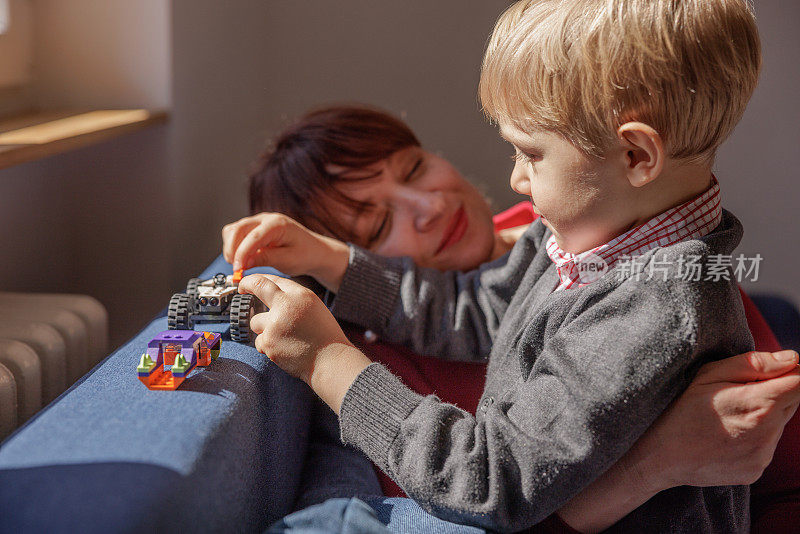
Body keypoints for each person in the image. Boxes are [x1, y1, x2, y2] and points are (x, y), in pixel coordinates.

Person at [222, 0, 798, 527]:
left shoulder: (654, 304)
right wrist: (338, 263)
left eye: (530, 153)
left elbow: (492, 480)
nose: (516, 180)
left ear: (636, 156)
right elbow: (480, 309)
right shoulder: (591, 240)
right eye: (376, 226)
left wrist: (328, 361)